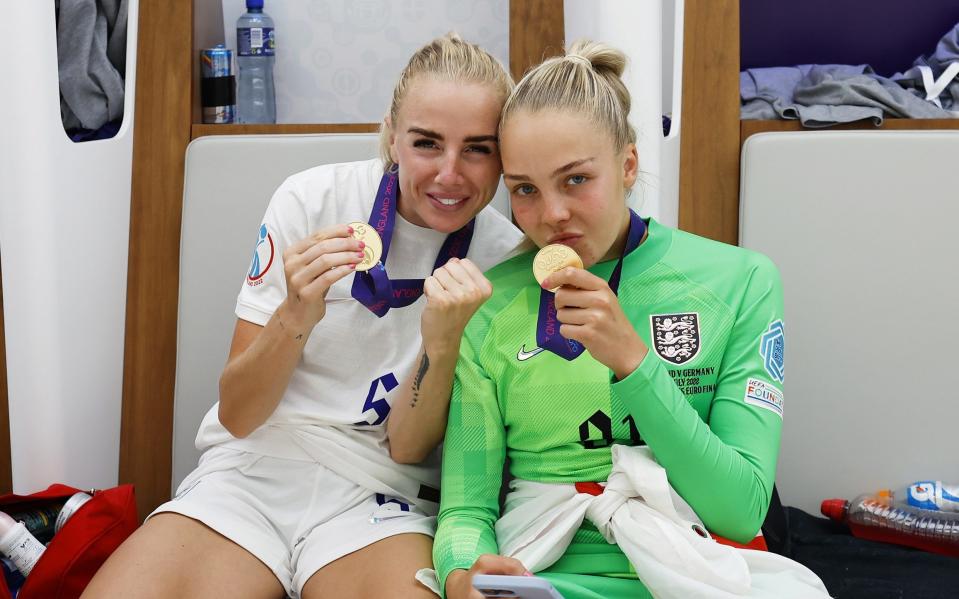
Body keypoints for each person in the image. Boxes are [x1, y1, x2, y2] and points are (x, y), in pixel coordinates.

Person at [83, 34, 526, 599]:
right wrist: (295, 313)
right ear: (392, 135)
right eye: (427, 143)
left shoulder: (504, 258)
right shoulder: (311, 200)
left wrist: (442, 344)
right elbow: (240, 415)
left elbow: (409, 450)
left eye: (478, 149)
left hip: (381, 493)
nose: (449, 173)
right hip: (251, 471)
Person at [433, 41, 830, 599]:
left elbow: (740, 511)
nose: (552, 216)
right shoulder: (489, 301)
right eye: (525, 189)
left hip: (699, 569)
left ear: (627, 165)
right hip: (546, 574)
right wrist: (461, 575)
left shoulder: (740, 281)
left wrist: (634, 363)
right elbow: (465, 509)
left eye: (575, 179)